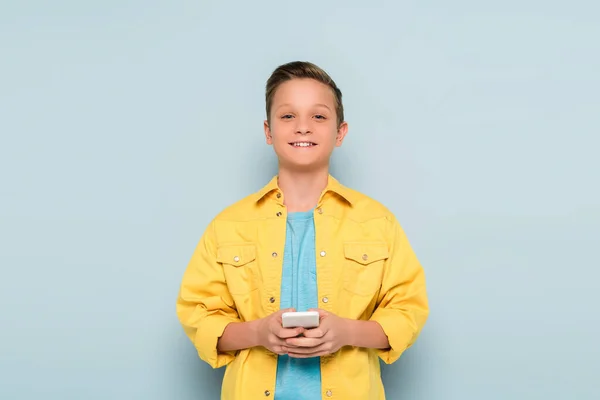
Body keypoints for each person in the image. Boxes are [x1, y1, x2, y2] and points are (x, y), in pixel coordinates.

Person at [176, 61, 429, 400]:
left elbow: (407, 312)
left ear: (340, 132)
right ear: (268, 131)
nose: (303, 127)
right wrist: (259, 333)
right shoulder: (228, 226)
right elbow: (198, 317)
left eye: (319, 116)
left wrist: (346, 332)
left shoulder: (377, 223)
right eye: (288, 116)